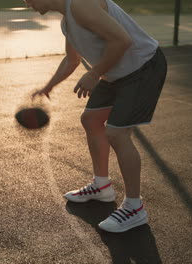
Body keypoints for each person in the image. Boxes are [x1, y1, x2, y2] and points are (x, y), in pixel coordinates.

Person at [26, 0, 167, 233]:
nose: (26, 2)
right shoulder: (67, 21)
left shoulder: (81, 4)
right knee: (90, 120)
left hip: (144, 67)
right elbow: (71, 60)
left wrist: (94, 73)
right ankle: (102, 186)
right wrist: (48, 86)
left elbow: (122, 40)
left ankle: (134, 207)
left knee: (117, 133)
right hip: (116, 72)